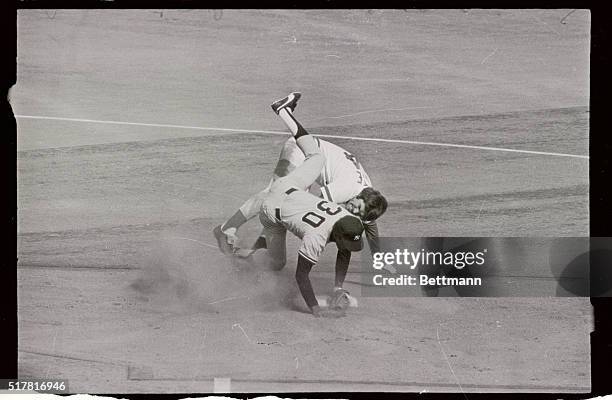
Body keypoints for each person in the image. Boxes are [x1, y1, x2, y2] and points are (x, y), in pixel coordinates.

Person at [214, 92, 387, 270]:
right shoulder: (347, 189)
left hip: (311, 161)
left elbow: (370, 226)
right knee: (274, 193)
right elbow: (316, 205)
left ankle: (255, 247)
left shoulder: (367, 197)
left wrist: (379, 260)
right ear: (360, 197)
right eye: (357, 208)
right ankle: (227, 229)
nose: (354, 212)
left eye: (359, 213)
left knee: (281, 201)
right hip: (301, 151)